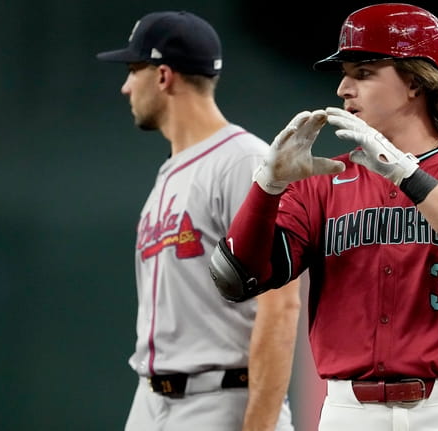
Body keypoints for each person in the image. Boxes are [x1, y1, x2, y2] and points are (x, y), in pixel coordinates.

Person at [209, 2, 438, 430]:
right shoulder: (323, 180)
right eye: (346, 74)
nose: (343, 88)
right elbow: (237, 277)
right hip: (349, 411)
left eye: (363, 73)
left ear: (415, 80)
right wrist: (267, 186)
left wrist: (406, 173)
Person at [95, 10, 300, 431]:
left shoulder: (245, 161)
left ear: (164, 76)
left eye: (135, 70)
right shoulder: (171, 172)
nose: (125, 86)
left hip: (221, 400)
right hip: (152, 400)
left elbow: (280, 306)